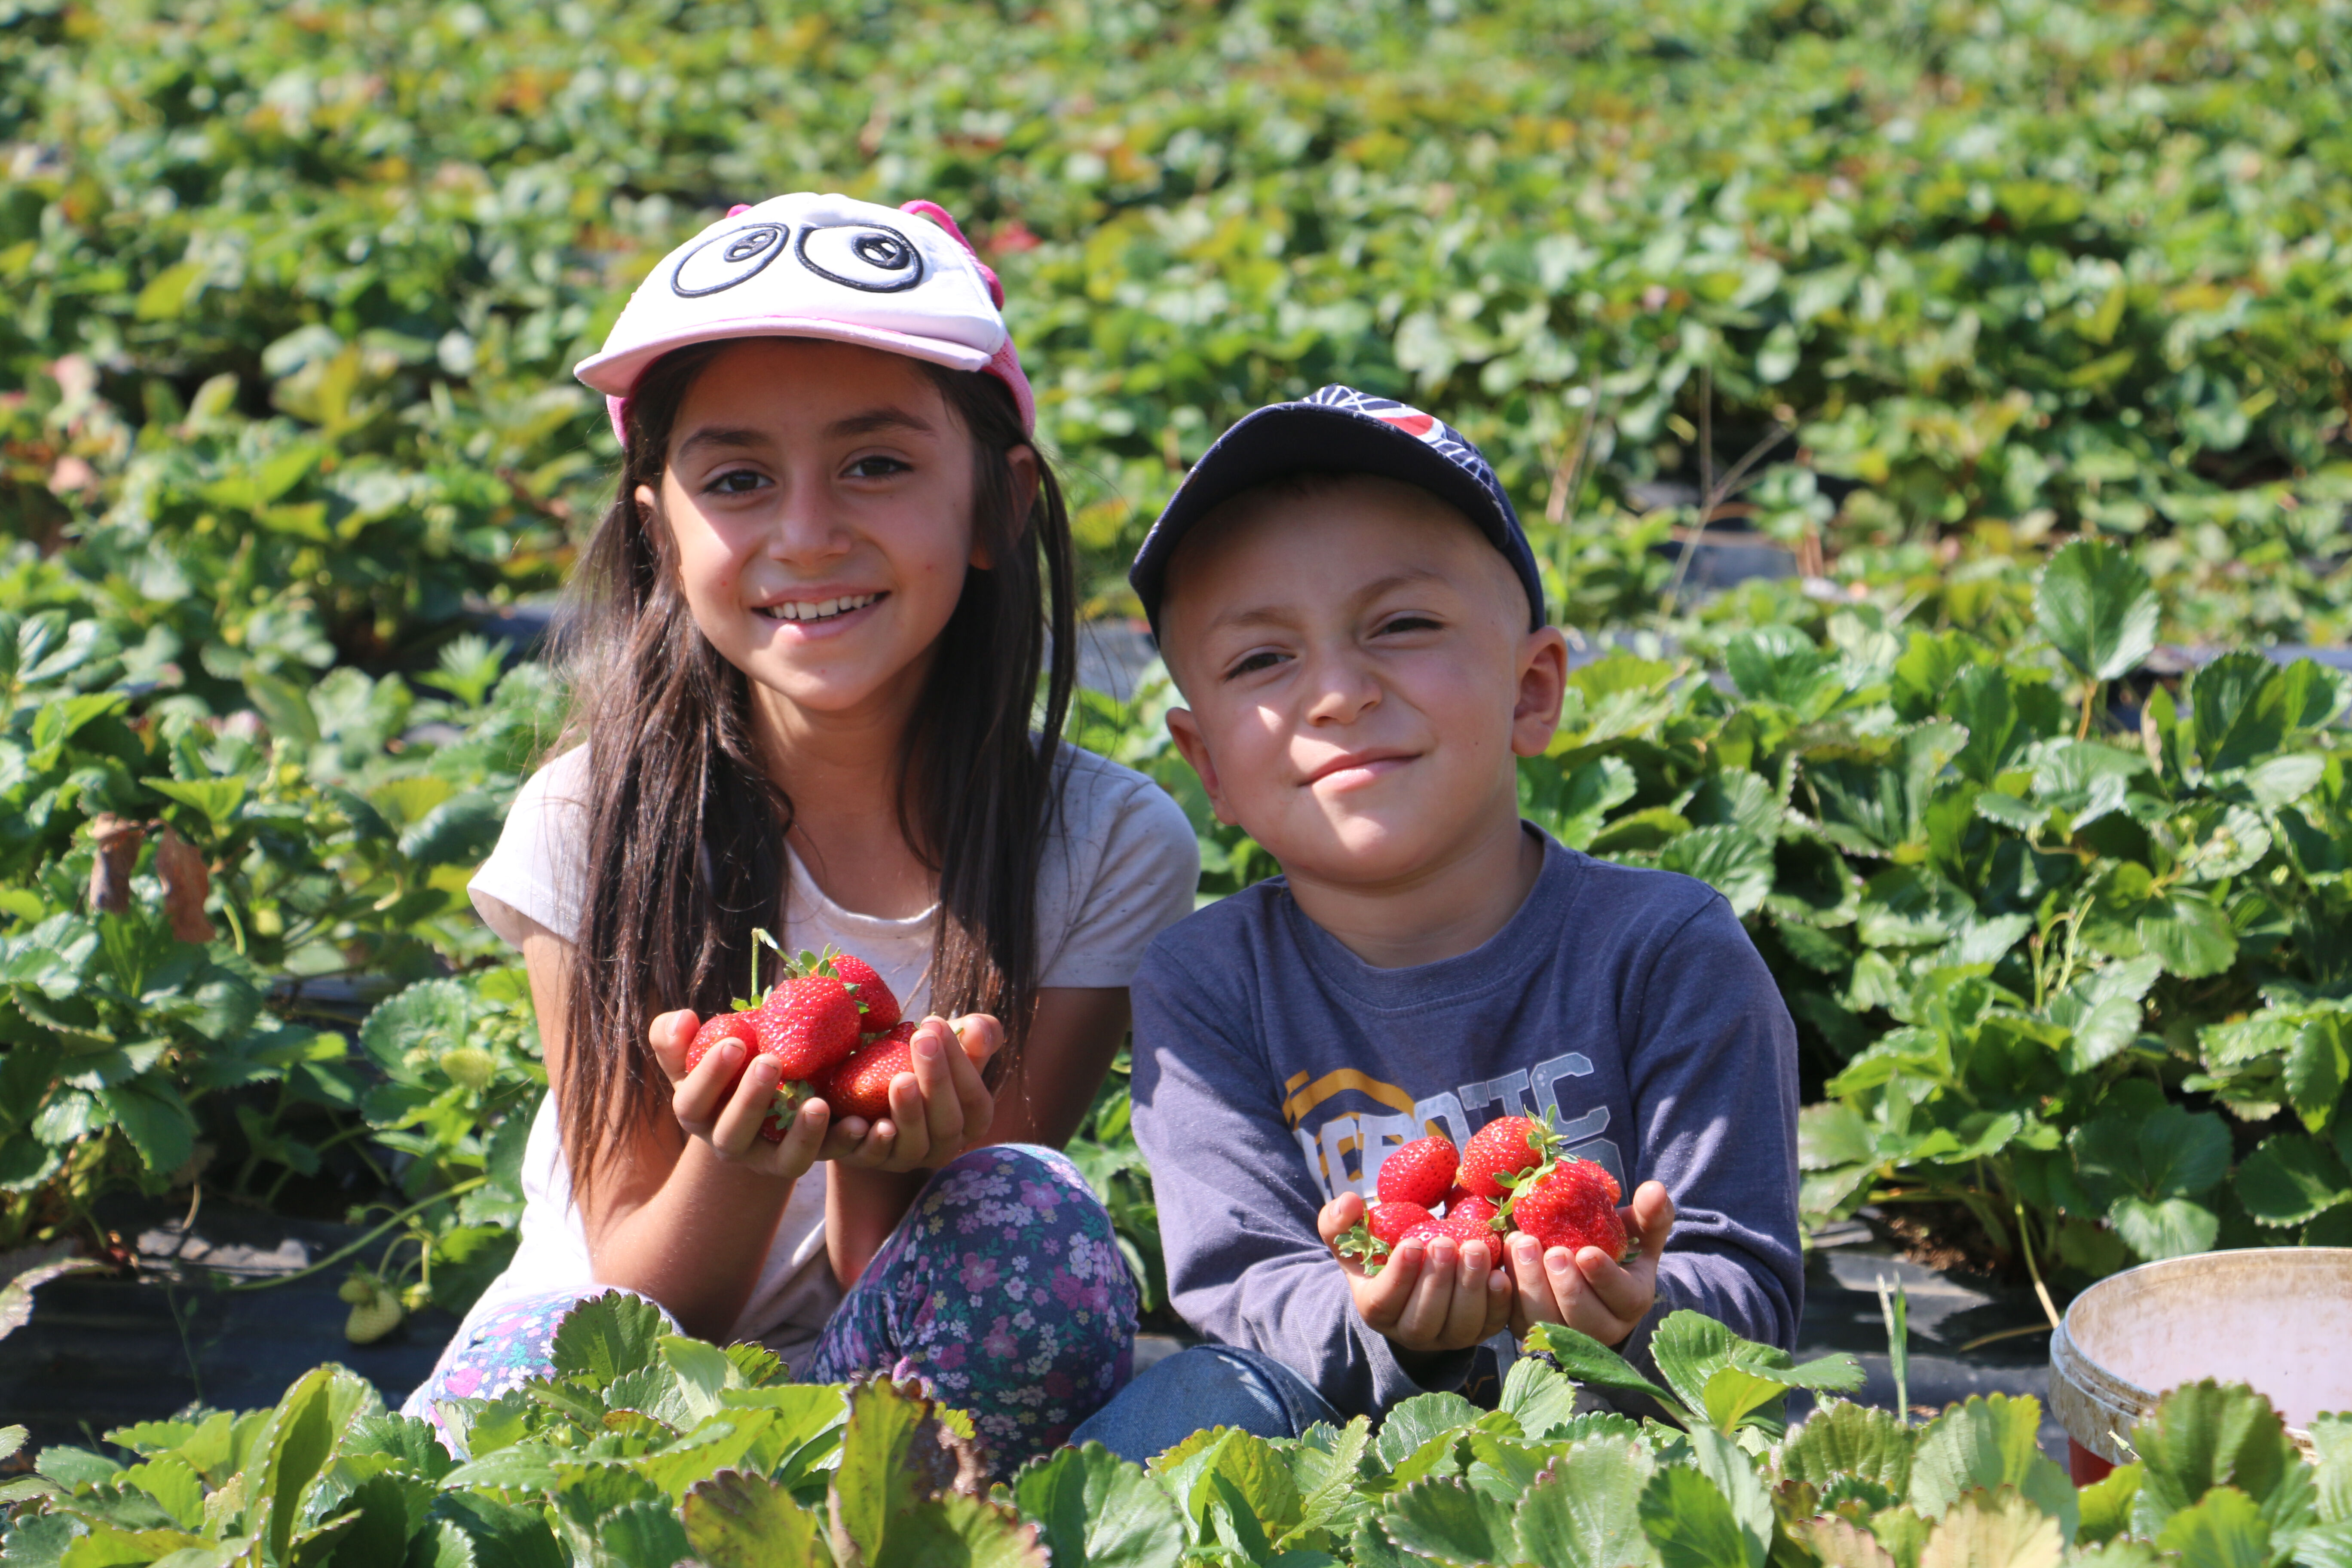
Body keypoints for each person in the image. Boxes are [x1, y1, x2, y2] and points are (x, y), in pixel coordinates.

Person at [401, 191, 1199, 1474]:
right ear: (661, 535)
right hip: (623, 1373)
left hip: (903, 1398)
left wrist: (886, 1162)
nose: (808, 532)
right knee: (497, 1419)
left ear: (996, 508)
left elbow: (950, 1278)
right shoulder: (589, 821)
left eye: (877, 463)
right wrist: (745, 1153)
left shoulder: (1104, 844)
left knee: (1031, 1229)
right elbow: (649, 1300)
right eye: (737, 480)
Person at [1072, 386, 1801, 1458]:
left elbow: (1746, 1283)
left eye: (1403, 625)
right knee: (1193, 1405)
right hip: (1338, 1460)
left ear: (1534, 688)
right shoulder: (1206, 982)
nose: (1338, 693)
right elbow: (1246, 1288)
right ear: (1208, 765)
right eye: (1261, 659)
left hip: (1615, 1456)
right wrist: (1394, 1327)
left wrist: (1629, 1313)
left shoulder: (1666, 948)